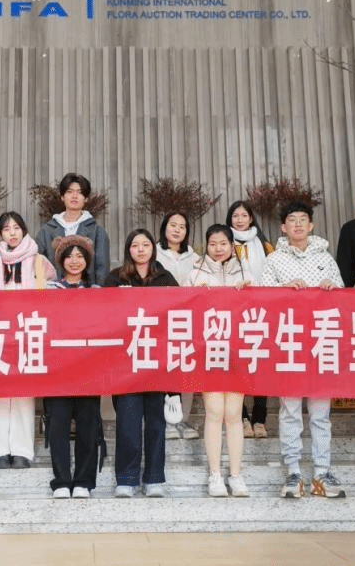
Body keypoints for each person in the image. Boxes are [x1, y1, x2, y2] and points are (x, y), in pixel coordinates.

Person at [261, 201, 346, 500]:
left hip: (321, 342)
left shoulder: (326, 258)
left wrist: (332, 288)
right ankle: (293, 471)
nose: (297, 224)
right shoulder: (273, 261)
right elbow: (263, 298)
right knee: (290, 410)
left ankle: (322, 472)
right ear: (283, 227)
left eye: (303, 220)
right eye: (292, 220)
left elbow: (344, 297)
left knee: (321, 413)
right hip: (289, 342)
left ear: (310, 225)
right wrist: (284, 290)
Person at [104, 229, 177, 498]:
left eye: (146, 244)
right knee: (128, 422)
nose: (141, 249)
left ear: (153, 249)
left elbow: (179, 312)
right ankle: (126, 479)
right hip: (126, 362)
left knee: (156, 423)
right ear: (128, 250)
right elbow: (103, 315)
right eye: (135, 245)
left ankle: (154, 478)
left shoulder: (165, 278)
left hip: (157, 361)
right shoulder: (115, 278)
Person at [0, 211, 56, 469]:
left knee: (24, 391)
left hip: (27, 331)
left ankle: (22, 450)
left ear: (24, 231)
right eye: (6, 229)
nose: (12, 233)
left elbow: (50, 293)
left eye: (16, 228)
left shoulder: (39, 261)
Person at [187, 224, 251, 498]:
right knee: (213, 411)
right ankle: (215, 475)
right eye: (212, 244)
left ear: (231, 245)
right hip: (208, 350)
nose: (218, 248)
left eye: (223, 243)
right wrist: (196, 294)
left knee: (234, 414)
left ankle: (235, 474)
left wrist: (248, 291)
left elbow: (258, 308)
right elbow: (183, 310)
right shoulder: (194, 272)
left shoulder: (245, 271)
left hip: (237, 351)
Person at [44, 235, 103, 499]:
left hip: (89, 368)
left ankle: (83, 481)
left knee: (88, 425)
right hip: (57, 368)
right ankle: (61, 481)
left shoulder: (97, 292)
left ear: (87, 260)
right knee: (57, 425)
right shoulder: (49, 290)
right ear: (61, 260)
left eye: (80, 256)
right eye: (69, 256)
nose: (74, 261)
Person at [226, 200, 273, 438]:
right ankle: (242, 417)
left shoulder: (264, 244)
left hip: (261, 310)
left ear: (251, 218)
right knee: (237, 363)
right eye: (235, 216)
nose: (240, 220)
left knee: (259, 363)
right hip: (234, 311)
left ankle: (260, 418)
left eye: (244, 215)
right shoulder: (223, 242)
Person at [155, 211, 200, 441]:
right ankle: (165, 419)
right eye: (173, 225)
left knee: (185, 367)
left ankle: (183, 418)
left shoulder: (195, 257)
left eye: (182, 227)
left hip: (188, 319)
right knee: (164, 368)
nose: (177, 230)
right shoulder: (154, 252)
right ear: (164, 227)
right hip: (161, 318)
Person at [35, 172, 110, 285]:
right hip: (53, 291)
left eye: (79, 192)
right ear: (62, 197)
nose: (74, 196)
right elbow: (38, 264)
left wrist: (98, 290)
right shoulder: (46, 230)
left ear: (86, 198)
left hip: (88, 291)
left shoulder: (97, 231)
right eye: (69, 192)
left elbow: (102, 268)